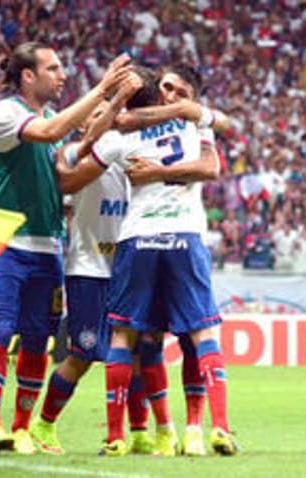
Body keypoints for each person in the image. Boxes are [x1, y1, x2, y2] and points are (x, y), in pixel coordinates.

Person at [29, 66, 219, 456]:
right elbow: (65, 181)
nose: (98, 121)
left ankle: (146, 431)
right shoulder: (87, 152)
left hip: (132, 262)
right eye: (95, 116)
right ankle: (44, 424)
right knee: (82, 353)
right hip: (90, 267)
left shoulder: (140, 145)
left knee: (145, 349)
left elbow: (202, 160)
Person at [0, 40, 131, 457]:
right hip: (1, 240)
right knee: (0, 329)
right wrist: (101, 90)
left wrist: (115, 101)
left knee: (36, 340)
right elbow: (49, 132)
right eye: (54, 68)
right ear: (29, 76)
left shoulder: (53, 124)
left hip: (47, 248)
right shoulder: (7, 113)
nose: (62, 74)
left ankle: (23, 429)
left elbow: (67, 153)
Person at [94, 64, 239, 457]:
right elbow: (213, 157)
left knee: (145, 336)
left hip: (144, 239)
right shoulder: (193, 125)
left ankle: (203, 430)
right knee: (186, 336)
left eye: (178, 90)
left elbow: (211, 166)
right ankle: (134, 433)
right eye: (165, 87)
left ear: (191, 95)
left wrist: (156, 171)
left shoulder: (138, 129)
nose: (169, 94)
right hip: (175, 238)